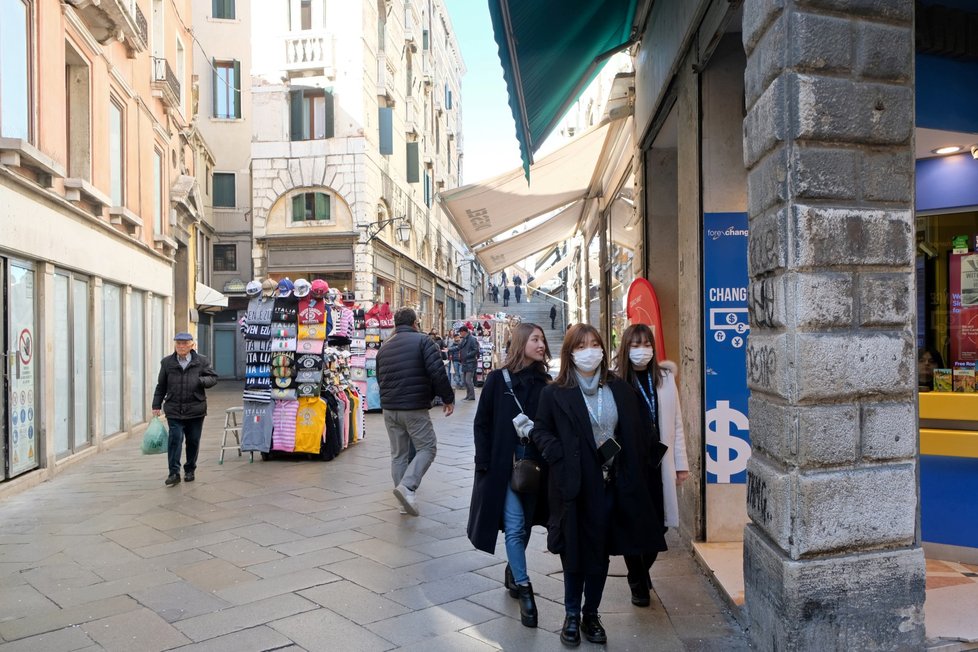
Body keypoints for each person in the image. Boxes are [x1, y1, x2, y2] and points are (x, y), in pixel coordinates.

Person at [532, 324, 665, 646]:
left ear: (604, 349)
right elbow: (540, 430)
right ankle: (571, 615)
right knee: (574, 553)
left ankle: (591, 614)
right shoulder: (555, 392)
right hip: (573, 488)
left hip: (612, 486)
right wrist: (559, 453)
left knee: (600, 554)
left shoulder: (619, 389)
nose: (589, 351)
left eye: (595, 344)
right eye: (582, 346)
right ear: (570, 353)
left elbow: (637, 433)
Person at [467, 323, 552, 627]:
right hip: (505, 467)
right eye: (535, 339)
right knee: (515, 527)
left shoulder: (546, 383)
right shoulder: (496, 381)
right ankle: (526, 588)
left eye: (542, 339)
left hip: (536, 468)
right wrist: (483, 463)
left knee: (526, 526)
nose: (541, 344)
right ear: (521, 343)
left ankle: (513, 571)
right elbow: (482, 424)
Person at [614, 323, 688, 607]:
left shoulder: (666, 378)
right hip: (629, 463)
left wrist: (681, 464)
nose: (641, 350)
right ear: (625, 348)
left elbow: (677, 424)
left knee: (661, 525)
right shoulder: (616, 380)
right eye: (635, 345)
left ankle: (642, 570)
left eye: (646, 344)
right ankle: (636, 580)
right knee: (633, 524)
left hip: (660, 462)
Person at [376, 307, 455, 516]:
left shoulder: (385, 346)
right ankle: (407, 487)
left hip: (390, 409)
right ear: (414, 323)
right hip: (413, 407)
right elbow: (437, 372)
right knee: (428, 448)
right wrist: (448, 398)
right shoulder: (423, 341)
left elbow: (379, 378)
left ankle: (405, 503)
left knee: (398, 455)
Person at [152, 332, 219, 486]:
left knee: (193, 441)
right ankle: (174, 472)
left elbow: (213, 378)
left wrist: (201, 381)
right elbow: (161, 386)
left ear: (191, 345)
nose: (181, 347)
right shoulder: (167, 362)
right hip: (174, 408)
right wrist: (156, 405)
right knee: (175, 440)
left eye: (184, 344)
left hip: (196, 408)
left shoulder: (201, 361)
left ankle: (190, 469)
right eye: (178, 344)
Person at [457, 326, 480, 401]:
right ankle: (468, 395)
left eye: (460, 332)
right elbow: (458, 347)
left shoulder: (472, 339)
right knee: (465, 380)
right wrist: (449, 349)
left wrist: (467, 355)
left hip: (470, 362)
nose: (460, 334)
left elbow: (476, 350)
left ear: (464, 332)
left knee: (468, 380)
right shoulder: (464, 339)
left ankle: (472, 396)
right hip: (465, 362)